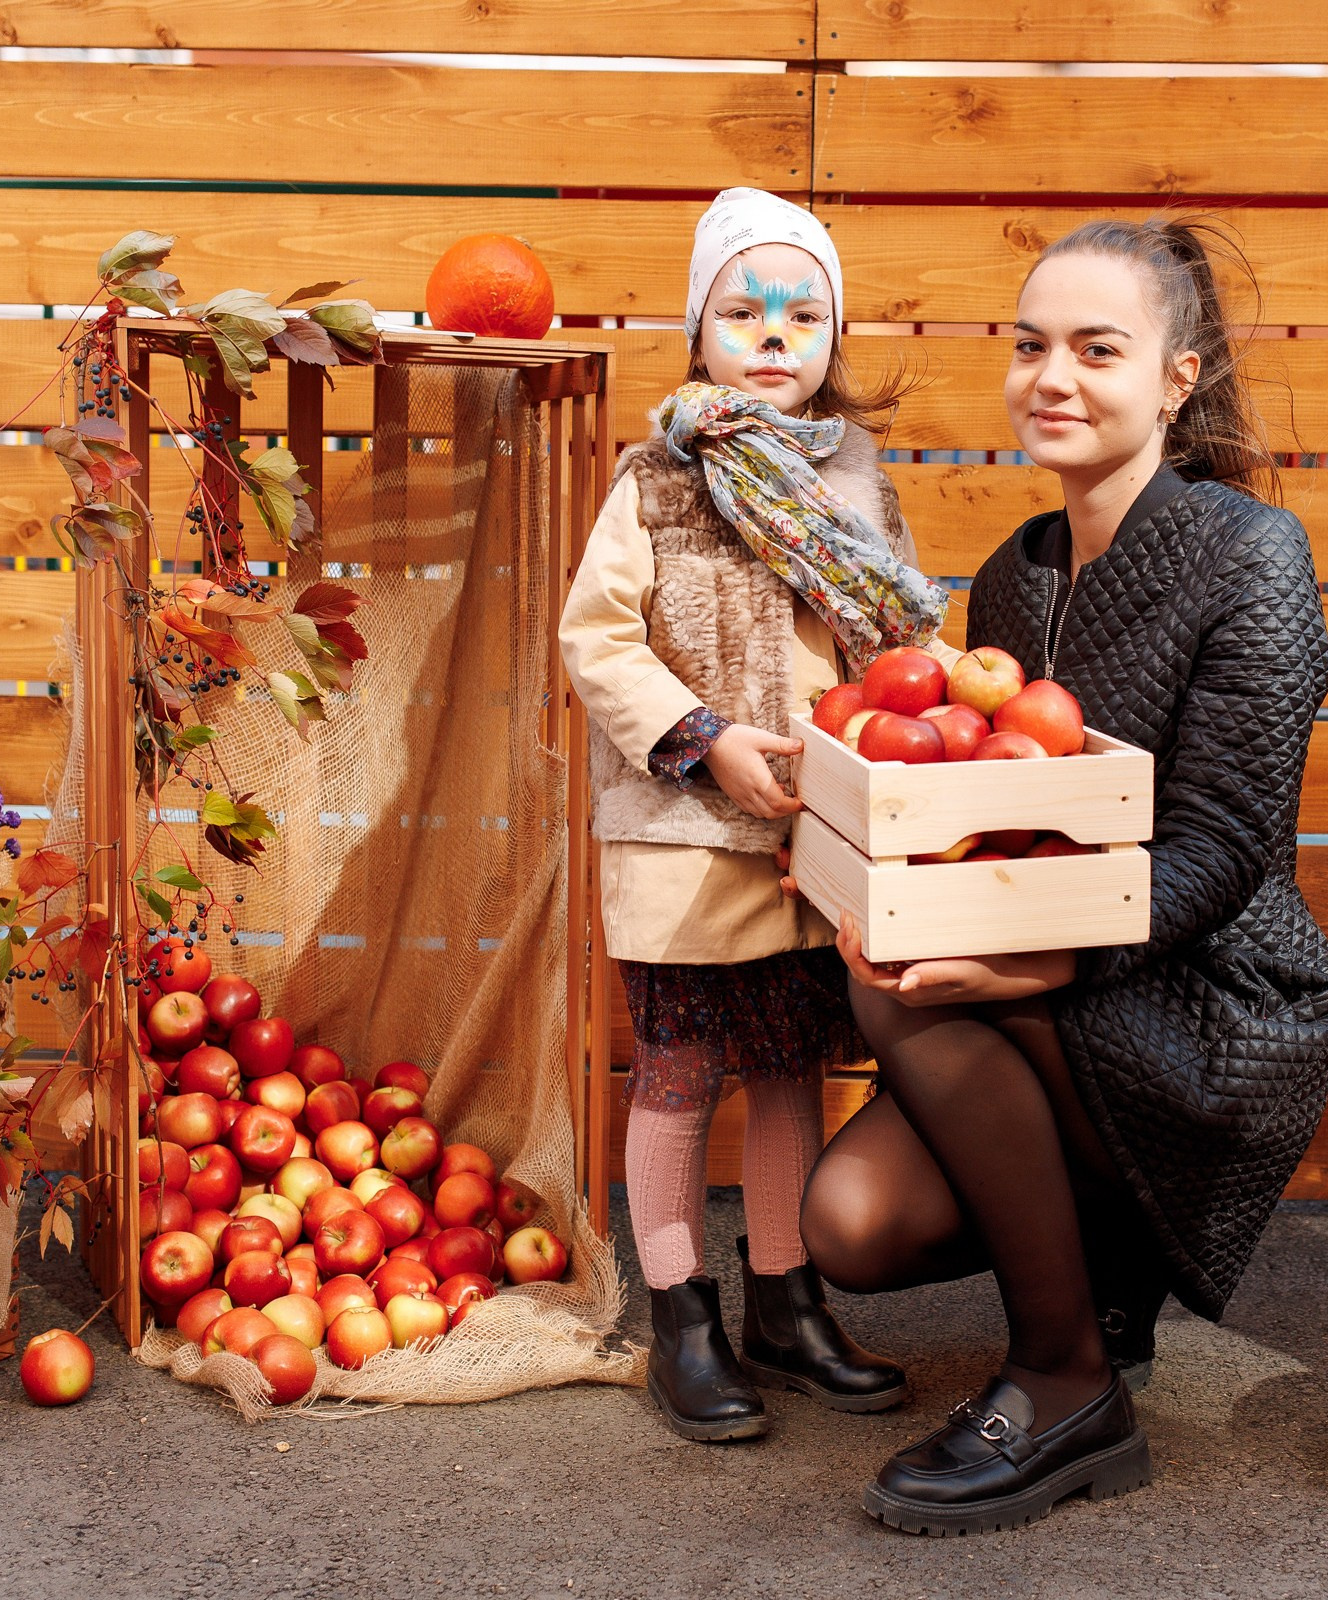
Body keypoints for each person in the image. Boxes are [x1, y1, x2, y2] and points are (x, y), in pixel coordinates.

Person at [797, 217, 1328, 1534]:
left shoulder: (1249, 556)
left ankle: (1064, 1384)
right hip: (1054, 978)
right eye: (1030, 345)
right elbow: (994, 822)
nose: (1052, 376)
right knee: (852, 1223)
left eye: (1097, 350)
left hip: (1216, 1000)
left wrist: (1029, 961)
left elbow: (1226, 850)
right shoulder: (1013, 578)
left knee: (902, 989)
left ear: (1178, 377)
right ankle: (1103, 1269)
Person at [557, 187, 947, 1442]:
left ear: (834, 339)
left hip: (812, 836)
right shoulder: (658, 482)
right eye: (742, 311)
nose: (773, 334)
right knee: (678, 1069)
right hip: (682, 835)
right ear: (698, 334)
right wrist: (705, 740)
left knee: (791, 1063)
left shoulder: (859, 489)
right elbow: (596, 637)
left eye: (802, 313)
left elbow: (900, 633)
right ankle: (681, 1313)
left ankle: (787, 1297)